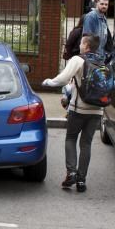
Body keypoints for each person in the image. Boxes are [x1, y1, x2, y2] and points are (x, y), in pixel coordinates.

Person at [42, 35, 104, 193]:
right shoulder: (102, 61)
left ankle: (71, 172)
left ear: (87, 46)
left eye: (82, 43)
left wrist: (48, 82)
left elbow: (62, 80)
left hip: (78, 109)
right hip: (97, 110)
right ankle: (82, 180)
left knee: (71, 138)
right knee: (86, 144)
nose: (80, 45)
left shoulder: (78, 60)